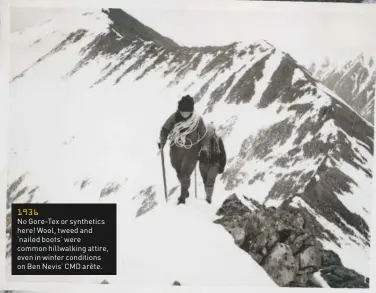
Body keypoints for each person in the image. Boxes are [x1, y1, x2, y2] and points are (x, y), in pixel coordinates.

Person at [158, 95, 208, 205]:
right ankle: (185, 188)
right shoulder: (174, 118)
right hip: (176, 148)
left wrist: (204, 148)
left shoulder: (197, 120)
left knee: (186, 173)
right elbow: (165, 129)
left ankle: (183, 195)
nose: (185, 114)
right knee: (178, 170)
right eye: (183, 111)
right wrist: (162, 142)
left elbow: (204, 135)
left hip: (192, 150)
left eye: (187, 112)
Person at [198, 122, 226, 204]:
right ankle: (207, 197)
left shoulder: (218, 140)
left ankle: (208, 199)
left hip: (215, 164)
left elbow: (223, 154)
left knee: (210, 179)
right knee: (205, 181)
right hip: (203, 164)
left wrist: (222, 166)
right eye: (207, 132)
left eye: (210, 132)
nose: (209, 134)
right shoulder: (201, 139)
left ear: (214, 131)